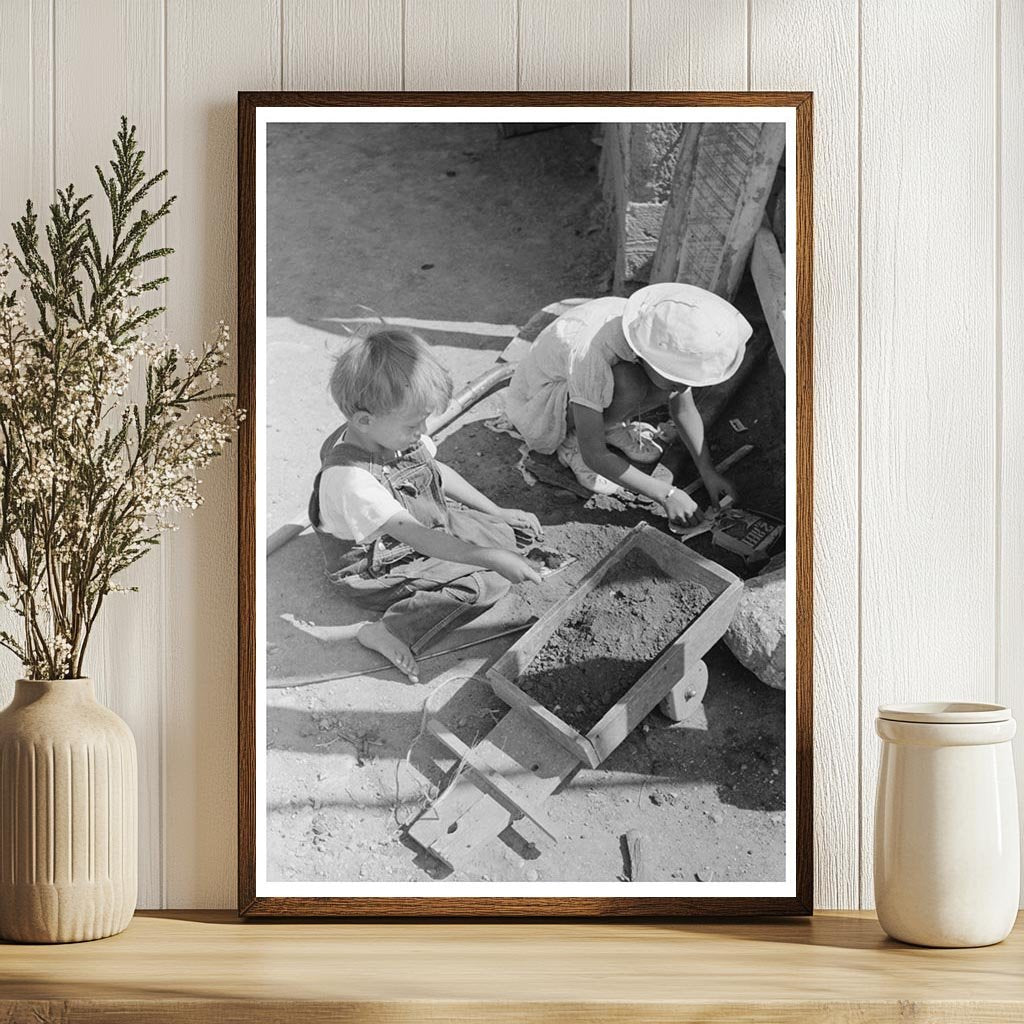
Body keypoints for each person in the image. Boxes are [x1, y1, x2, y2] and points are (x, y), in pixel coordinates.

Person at [306, 327, 542, 682]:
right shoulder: (351, 479)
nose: (423, 430)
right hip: (374, 566)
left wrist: (497, 512)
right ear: (364, 421)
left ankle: (489, 543)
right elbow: (418, 536)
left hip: (405, 533)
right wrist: (489, 558)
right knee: (484, 583)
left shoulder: (392, 435)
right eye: (414, 424)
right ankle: (390, 630)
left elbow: (437, 473)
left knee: (507, 536)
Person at [504, 282, 752, 528]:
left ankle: (606, 425)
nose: (681, 386)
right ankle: (573, 441)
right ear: (649, 357)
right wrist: (666, 494)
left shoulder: (658, 336)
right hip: (540, 401)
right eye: (676, 377)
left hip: (586, 386)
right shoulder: (591, 354)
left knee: (655, 386)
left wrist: (707, 470)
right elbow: (595, 456)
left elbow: (683, 408)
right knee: (631, 384)